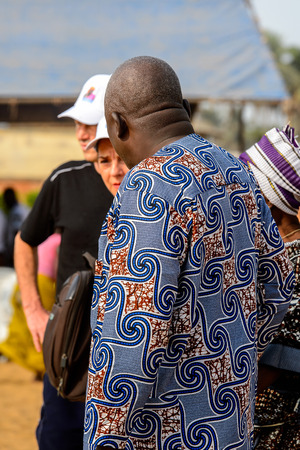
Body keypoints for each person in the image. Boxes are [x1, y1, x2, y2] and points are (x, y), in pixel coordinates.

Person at [84, 56, 294, 450]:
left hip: (160, 436)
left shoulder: (148, 188)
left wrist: (103, 439)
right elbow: (279, 290)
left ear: (118, 124)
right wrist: (230, 362)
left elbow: (131, 340)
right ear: (181, 108)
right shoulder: (237, 172)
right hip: (230, 430)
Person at [14, 74, 117, 450]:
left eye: (89, 123)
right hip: (68, 350)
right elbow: (24, 242)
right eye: (77, 123)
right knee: (58, 439)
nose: (81, 133)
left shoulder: (143, 183)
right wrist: (33, 310)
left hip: (124, 353)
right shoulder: (64, 179)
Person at [239, 125, 300, 449]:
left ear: (269, 203)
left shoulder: (292, 266)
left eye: (247, 192)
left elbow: (270, 371)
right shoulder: (271, 256)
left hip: (278, 432)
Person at [3, 187, 29, 267]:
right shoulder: (23, 208)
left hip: (18, 250)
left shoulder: (16, 212)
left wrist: (13, 253)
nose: (5, 202)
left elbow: (17, 232)